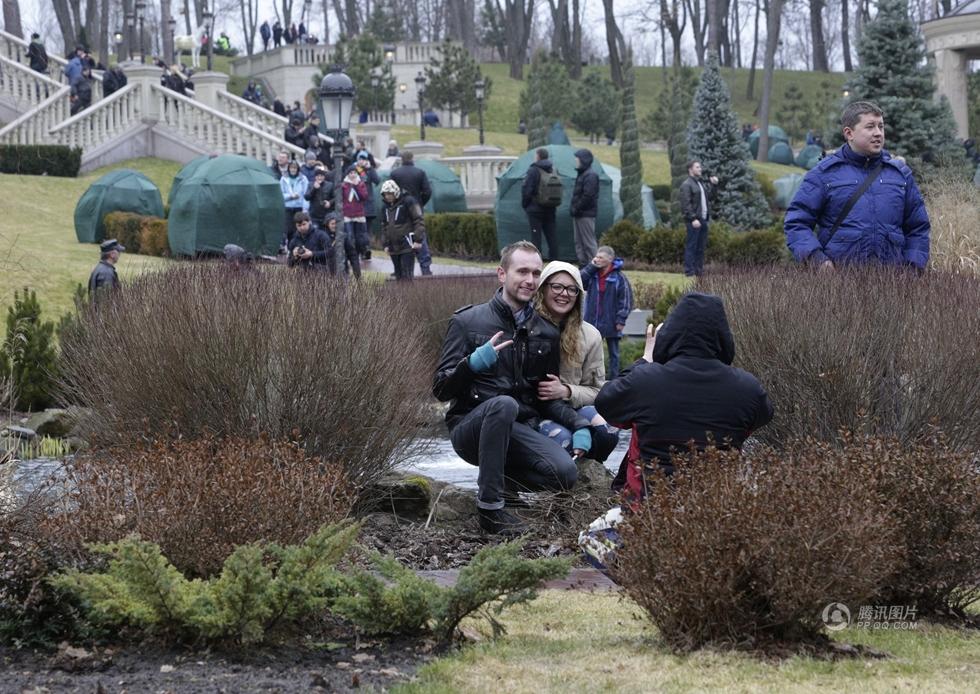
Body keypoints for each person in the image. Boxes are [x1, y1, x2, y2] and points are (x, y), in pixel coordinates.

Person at [433, 241, 592, 535]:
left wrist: (579, 423)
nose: (530, 280)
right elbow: (441, 389)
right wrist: (471, 364)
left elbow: (545, 398)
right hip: (471, 429)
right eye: (522, 271)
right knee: (503, 405)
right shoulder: (467, 322)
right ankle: (490, 509)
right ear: (502, 274)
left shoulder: (546, 332)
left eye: (536, 273)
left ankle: (504, 486)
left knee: (565, 473)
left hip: (519, 431)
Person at [594, 292, 773, 492]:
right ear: (723, 337)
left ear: (670, 334)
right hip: (719, 503)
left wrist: (645, 360)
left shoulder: (645, 381)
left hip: (648, 504)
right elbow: (762, 417)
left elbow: (606, 403)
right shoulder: (747, 388)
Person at [784, 101, 931, 271]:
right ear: (849, 133)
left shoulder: (900, 174)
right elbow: (797, 222)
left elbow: (918, 227)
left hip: (892, 280)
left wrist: (912, 268)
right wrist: (818, 260)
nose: (878, 133)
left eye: (881, 126)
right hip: (838, 280)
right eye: (870, 127)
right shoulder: (824, 174)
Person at [533, 261, 620, 462]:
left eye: (572, 289)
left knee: (608, 429)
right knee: (564, 439)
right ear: (543, 289)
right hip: (537, 412)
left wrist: (566, 391)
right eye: (557, 286)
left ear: (579, 296)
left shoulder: (591, 336)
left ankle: (590, 472)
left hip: (573, 405)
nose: (564, 294)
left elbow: (597, 391)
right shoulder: (526, 328)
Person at [581, 246, 632, 380]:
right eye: (596, 257)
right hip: (593, 321)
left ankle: (613, 380)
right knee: (590, 352)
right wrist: (591, 266)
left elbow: (625, 299)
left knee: (614, 353)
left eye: (600, 257)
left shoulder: (619, 277)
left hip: (612, 322)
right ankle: (590, 378)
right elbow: (579, 281)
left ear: (610, 259)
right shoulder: (592, 274)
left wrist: (621, 320)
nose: (597, 259)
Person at [390, 151, 433, 275]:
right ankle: (425, 268)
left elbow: (390, 191)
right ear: (412, 158)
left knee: (400, 236)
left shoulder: (395, 173)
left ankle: (400, 269)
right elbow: (427, 191)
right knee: (420, 235)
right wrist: (420, 203)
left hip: (400, 209)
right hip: (416, 208)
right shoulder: (420, 172)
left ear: (401, 159)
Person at [679, 160, 719, 277]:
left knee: (701, 247)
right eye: (697, 167)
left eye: (700, 167)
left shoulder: (699, 183)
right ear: (690, 170)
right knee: (692, 245)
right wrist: (693, 219)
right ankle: (689, 271)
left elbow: (710, 197)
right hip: (694, 220)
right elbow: (686, 205)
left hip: (703, 219)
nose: (700, 169)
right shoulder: (686, 185)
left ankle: (699, 271)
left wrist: (714, 185)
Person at [379, 180, 425, 280]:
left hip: (407, 245)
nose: (387, 196)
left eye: (389, 194)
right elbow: (384, 226)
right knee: (398, 276)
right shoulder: (384, 208)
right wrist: (385, 244)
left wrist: (418, 239)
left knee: (407, 276)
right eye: (385, 194)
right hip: (393, 247)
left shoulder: (408, 201)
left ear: (395, 192)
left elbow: (418, 220)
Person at [521, 148, 560, 262]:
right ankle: (555, 261)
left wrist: (525, 205)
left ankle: (536, 261)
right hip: (551, 207)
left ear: (538, 156)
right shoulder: (553, 169)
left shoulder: (533, 170)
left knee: (536, 237)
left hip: (535, 208)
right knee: (552, 236)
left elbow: (527, 189)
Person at [570, 149, 599, 266]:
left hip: (586, 214)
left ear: (584, 160)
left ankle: (595, 266)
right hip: (579, 213)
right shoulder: (583, 174)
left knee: (588, 242)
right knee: (579, 242)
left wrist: (577, 208)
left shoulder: (590, 175)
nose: (576, 161)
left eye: (577, 159)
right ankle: (583, 265)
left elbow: (588, 195)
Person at [352, 151, 380, 259]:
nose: (361, 161)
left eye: (363, 159)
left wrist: (370, 169)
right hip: (356, 205)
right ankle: (359, 250)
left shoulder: (369, 170)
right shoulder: (353, 170)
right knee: (358, 230)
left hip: (368, 206)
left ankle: (366, 250)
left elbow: (377, 180)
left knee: (367, 230)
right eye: (360, 159)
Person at [341, 167, 367, 279]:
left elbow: (364, 196)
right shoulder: (344, 185)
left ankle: (360, 254)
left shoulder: (361, 184)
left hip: (359, 215)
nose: (353, 175)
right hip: (347, 215)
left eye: (354, 173)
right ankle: (350, 260)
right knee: (349, 238)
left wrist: (356, 186)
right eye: (350, 173)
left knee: (360, 239)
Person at [280, 160, 309, 247]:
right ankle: (290, 248)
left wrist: (305, 209)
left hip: (299, 207)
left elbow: (306, 195)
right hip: (288, 207)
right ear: (289, 169)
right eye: (291, 168)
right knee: (288, 230)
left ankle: (299, 247)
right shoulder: (283, 179)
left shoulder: (303, 179)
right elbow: (280, 194)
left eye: (295, 168)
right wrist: (290, 196)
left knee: (298, 229)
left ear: (298, 169)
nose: (293, 170)